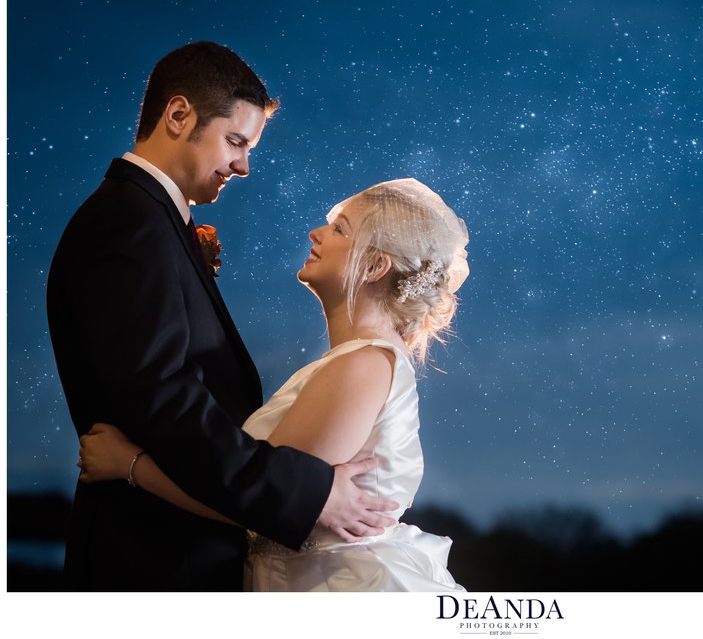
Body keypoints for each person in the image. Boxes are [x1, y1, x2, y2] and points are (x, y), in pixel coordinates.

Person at [47, 41, 398, 591]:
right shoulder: (128, 223)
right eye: (235, 141)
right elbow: (162, 396)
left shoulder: (152, 221)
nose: (243, 165)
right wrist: (307, 493)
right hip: (151, 563)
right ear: (178, 114)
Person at [80, 178, 469, 591]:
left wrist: (130, 465)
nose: (315, 233)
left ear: (375, 267)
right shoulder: (355, 362)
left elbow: (263, 500)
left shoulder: (364, 365)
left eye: (340, 229)